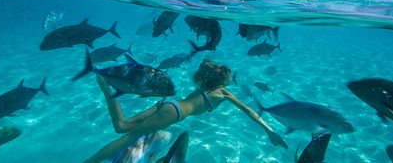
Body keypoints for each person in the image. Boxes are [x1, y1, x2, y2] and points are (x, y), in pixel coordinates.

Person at [84, 59, 287, 163]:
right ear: (223, 80)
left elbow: (207, 66)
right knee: (127, 138)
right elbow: (249, 111)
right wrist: (269, 130)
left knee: (122, 126)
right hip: (173, 113)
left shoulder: (204, 86)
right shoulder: (223, 93)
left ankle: (105, 86)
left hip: (168, 104)